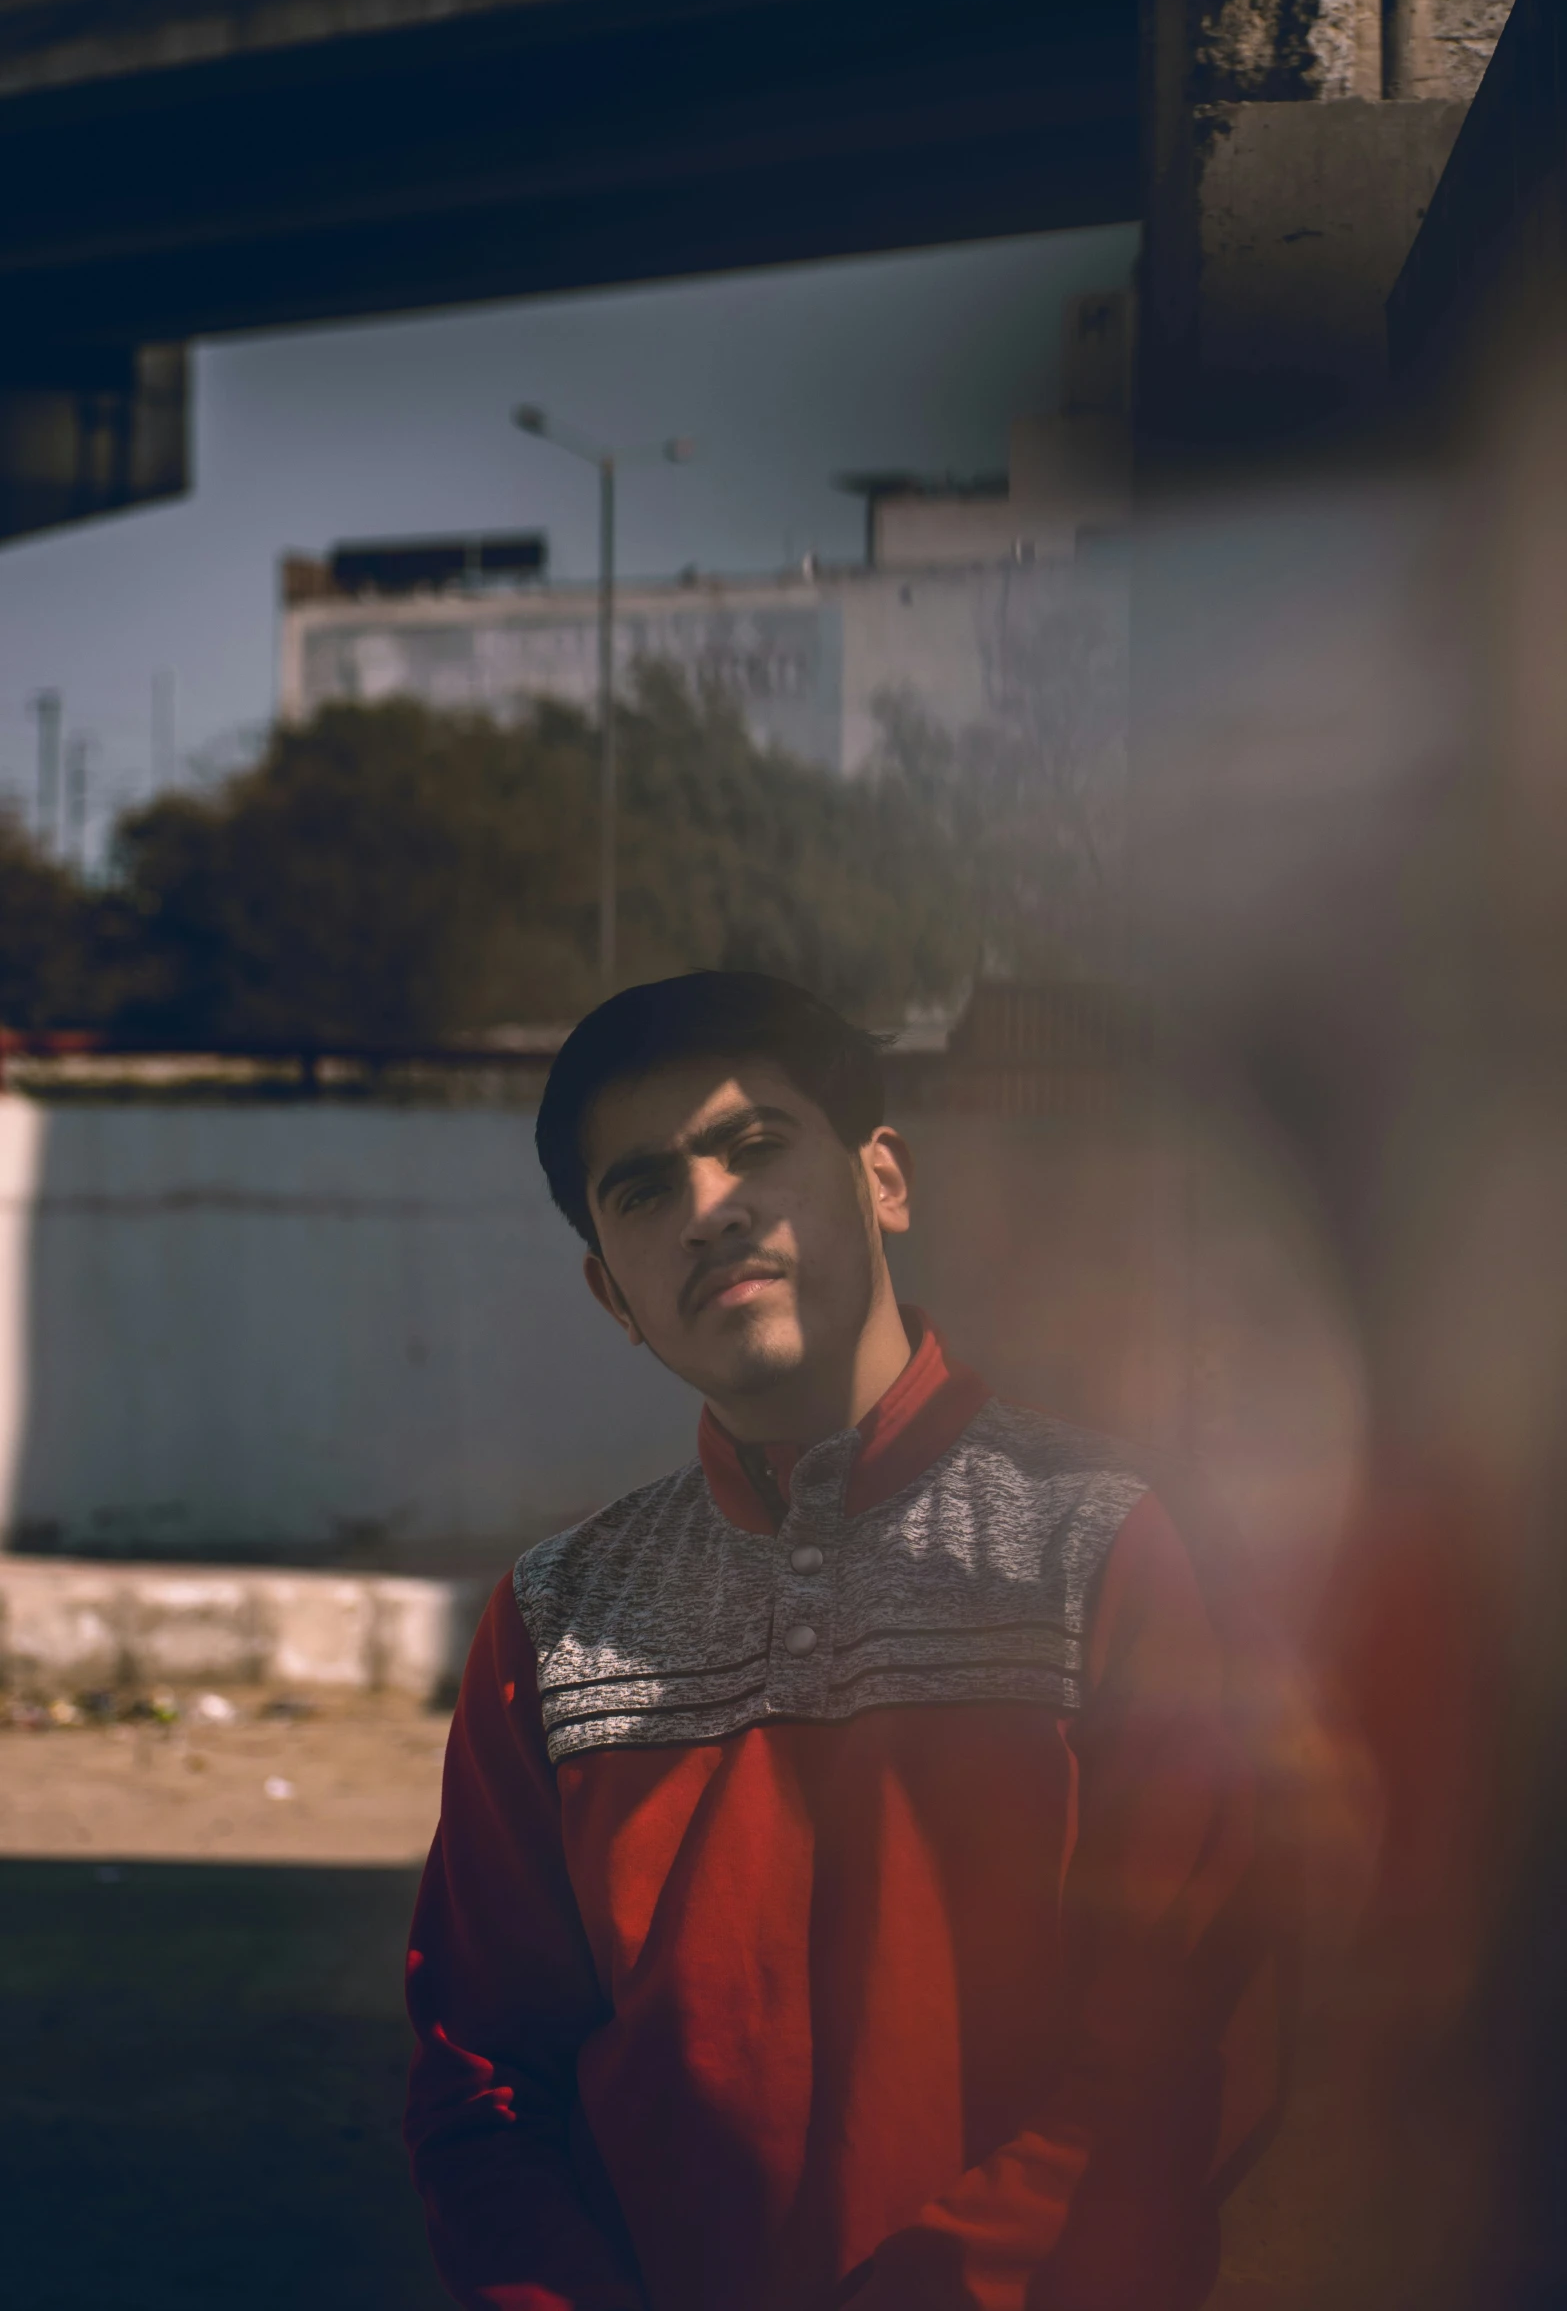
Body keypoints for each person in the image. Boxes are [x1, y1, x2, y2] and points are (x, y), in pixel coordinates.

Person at [404, 971, 1268, 2311]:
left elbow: (1187, 2032)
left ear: (884, 1178)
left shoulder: (1095, 1542)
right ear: (610, 1293)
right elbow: (483, 2069)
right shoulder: (556, 1613)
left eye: (754, 1146)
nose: (710, 1208)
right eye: (642, 1191)